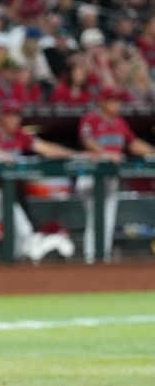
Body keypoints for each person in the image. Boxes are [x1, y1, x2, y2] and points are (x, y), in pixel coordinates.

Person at [0, 99, 77, 262]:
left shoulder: (21, 135)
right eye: (10, 115)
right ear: (1, 117)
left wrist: (75, 154)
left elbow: (45, 148)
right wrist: (2, 155)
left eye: (17, 115)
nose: (14, 119)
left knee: (24, 231)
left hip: (3, 192)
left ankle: (15, 273)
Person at [76, 86, 155, 263]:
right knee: (95, 219)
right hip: (92, 174)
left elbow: (133, 144)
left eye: (118, 101)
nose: (116, 104)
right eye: (112, 100)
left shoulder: (119, 122)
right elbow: (87, 140)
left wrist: (152, 151)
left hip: (111, 178)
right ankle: (91, 259)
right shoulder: (91, 118)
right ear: (102, 102)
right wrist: (105, 152)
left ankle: (103, 258)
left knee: (108, 221)